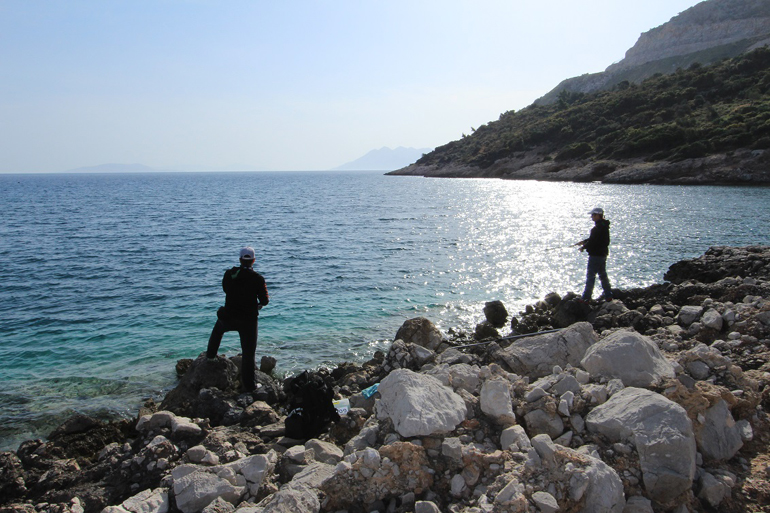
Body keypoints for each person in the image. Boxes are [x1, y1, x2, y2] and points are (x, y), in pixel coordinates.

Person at [206, 247, 269, 392]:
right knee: (248, 353)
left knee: (218, 330)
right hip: (248, 320)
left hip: (229, 315)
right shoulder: (258, 278)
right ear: (253, 260)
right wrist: (257, 305)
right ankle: (250, 386)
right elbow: (265, 300)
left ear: (240, 259)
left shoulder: (229, 274)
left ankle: (210, 356)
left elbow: (226, 289)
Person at [577, 207, 613, 302]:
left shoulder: (596, 228)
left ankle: (586, 298)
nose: (591, 217)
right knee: (602, 275)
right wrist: (584, 242)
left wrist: (583, 247)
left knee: (591, 276)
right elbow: (595, 239)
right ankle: (608, 295)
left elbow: (593, 242)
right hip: (603, 255)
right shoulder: (604, 226)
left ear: (598, 215)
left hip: (595, 256)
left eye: (593, 215)